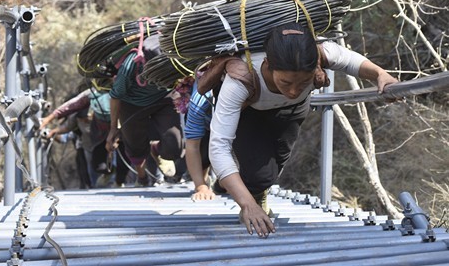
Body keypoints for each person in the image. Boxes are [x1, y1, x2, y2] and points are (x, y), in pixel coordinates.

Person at [208, 22, 398, 238]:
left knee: (278, 161)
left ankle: (245, 183)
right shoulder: (242, 78)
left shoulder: (319, 53)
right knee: (261, 175)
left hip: (293, 111)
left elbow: (352, 61)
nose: (293, 89)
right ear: (269, 64)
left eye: (303, 82)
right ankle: (251, 191)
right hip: (251, 112)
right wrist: (247, 205)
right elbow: (218, 146)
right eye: (286, 82)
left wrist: (380, 74)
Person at [106, 35, 183, 186]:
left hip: (164, 98)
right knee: (135, 146)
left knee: (175, 146)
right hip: (132, 103)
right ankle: (142, 178)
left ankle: (156, 149)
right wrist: (113, 129)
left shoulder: (174, 61)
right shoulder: (130, 66)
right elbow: (115, 97)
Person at [184, 82, 215, 200]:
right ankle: (203, 179)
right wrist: (201, 187)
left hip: (239, 124)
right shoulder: (199, 100)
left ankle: (223, 183)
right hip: (206, 124)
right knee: (204, 157)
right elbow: (192, 146)